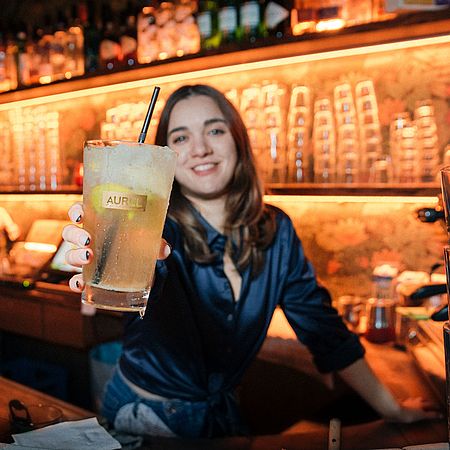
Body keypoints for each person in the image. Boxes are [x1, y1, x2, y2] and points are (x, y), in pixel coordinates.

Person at [63, 84, 440, 439]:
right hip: (144, 421)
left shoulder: (277, 231)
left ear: (238, 140)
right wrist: (105, 249)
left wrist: (392, 409)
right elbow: (150, 277)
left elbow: (323, 330)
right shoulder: (157, 229)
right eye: (180, 137)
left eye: (214, 131)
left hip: (224, 417)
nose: (199, 149)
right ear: (165, 159)